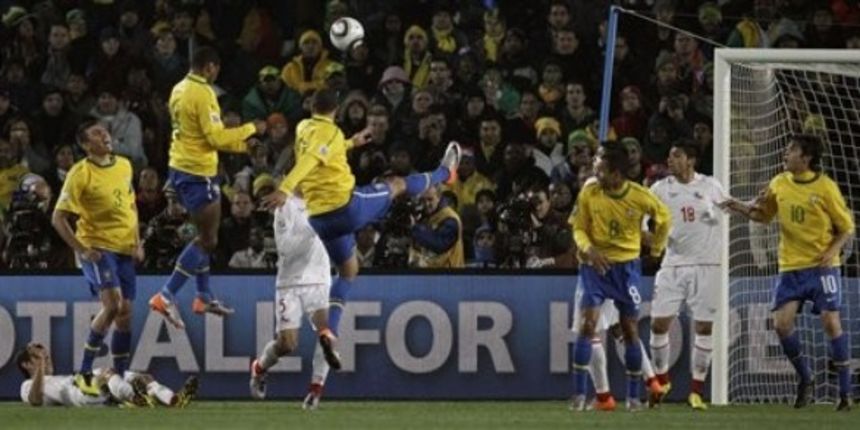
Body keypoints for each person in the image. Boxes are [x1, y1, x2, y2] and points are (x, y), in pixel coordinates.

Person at [261, 87, 460, 403]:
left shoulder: (303, 128)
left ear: (311, 107)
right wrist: (285, 188)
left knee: (349, 269)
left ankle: (328, 331)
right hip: (346, 207)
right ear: (336, 111)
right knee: (395, 184)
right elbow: (314, 157)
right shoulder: (328, 131)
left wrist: (352, 142)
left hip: (322, 219)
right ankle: (446, 173)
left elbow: (318, 151)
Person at [721, 134, 854, 411]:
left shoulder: (826, 187)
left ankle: (845, 393)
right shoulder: (779, 182)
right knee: (781, 325)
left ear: (806, 158)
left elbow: (847, 227)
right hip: (790, 267)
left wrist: (833, 251)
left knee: (831, 323)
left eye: (792, 149)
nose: (785, 152)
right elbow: (763, 215)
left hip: (822, 268)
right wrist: (739, 207)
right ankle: (806, 378)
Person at [148, 46, 266, 330]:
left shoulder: (178, 88)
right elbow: (215, 138)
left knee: (204, 235)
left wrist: (242, 146)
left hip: (181, 166)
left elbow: (199, 135)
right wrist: (250, 129)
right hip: (197, 173)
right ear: (210, 67)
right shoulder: (203, 93)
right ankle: (166, 295)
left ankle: (203, 296)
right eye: (217, 70)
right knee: (208, 240)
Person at [569, 144, 670, 411]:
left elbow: (664, 217)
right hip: (595, 268)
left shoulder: (638, 196)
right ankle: (581, 395)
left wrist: (657, 248)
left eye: (600, 168)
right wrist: (589, 250)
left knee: (628, 330)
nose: (594, 172)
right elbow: (578, 229)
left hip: (626, 269)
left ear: (616, 173)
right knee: (588, 326)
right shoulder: (590, 191)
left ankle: (633, 397)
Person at [51, 120, 142, 395]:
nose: (105, 136)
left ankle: (120, 376)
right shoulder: (80, 173)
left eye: (105, 132)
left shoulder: (125, 165)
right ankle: (84, 371)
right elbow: (58, 218)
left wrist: (137, 242)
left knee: (125, 314)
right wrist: (81, 249)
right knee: (112, 305)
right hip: (98, 248)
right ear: (85, 144)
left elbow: (131, 204)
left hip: (125, 248)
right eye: (97, 134)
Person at [648, 142, 728, 410]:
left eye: (677, 156)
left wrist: (751, 207)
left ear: (691, 160)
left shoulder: (710, 186)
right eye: (669, 156)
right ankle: (662, 380)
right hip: (672, 265)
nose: (670, 160)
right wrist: (651, 239)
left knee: (703, 328)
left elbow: (728, 206)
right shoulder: (660, 189)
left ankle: (696, 391)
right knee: (658, 325)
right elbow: (639, 219)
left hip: (707, 265)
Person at [249, 196, 340, 409]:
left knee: (326, 332)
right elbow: (286, 248)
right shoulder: (285, 205)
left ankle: (315, 391)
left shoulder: (326, 197)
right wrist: (315, 227)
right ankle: (259, 367)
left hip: (319, 278)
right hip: (289, 282)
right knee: (287, 344)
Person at [15, 342, 197, 408]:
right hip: (79, 392)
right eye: (38, 357)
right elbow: (35, 401)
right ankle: (136, 397)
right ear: (26, 364)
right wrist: (41, 367)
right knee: (108, 373)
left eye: (46, 356)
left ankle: (172, 399)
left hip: (82, 383)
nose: (46, 359)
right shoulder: (27, 386)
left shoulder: (54, 378)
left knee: (141, 377)